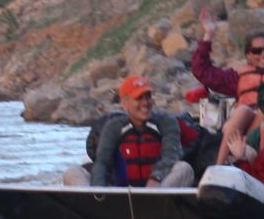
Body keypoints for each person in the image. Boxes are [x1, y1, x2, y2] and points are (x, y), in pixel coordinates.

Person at [191, 9, 264, 164]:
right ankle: (219, 165)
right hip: (242, 124)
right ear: (248, 54)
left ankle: (241, 155)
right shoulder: (238, 75)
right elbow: (202, 71)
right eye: (257, 51)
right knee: (242, 111)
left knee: (263, 111)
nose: (263, 54)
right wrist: (208, 35)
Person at [63, 75, 196, 188]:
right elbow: (102, 162)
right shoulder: (113, 126)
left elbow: (171, 155)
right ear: (125, 103)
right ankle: (95, 206)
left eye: (148, 96)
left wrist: (157, 177)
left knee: (184, 168)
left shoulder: (167, 121)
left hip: (157, 189)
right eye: (139, 98)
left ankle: (154, 203)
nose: (146, 103)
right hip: (119, 192)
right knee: (72, 172)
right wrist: (98, 191)